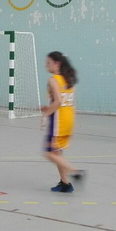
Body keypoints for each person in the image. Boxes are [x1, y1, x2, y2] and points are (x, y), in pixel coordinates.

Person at [41, 51, 85, 193]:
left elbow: (58, 101)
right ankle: (65, 184)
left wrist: (45, 115)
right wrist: (49, 107)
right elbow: (64, 101)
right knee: (57, 153)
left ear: (57, 63)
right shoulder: (69, 79)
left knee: (49, 153)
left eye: (48, 63)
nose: (46, 65)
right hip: (68, 121)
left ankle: (75, 172)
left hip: (58, 123)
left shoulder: (53, 80)